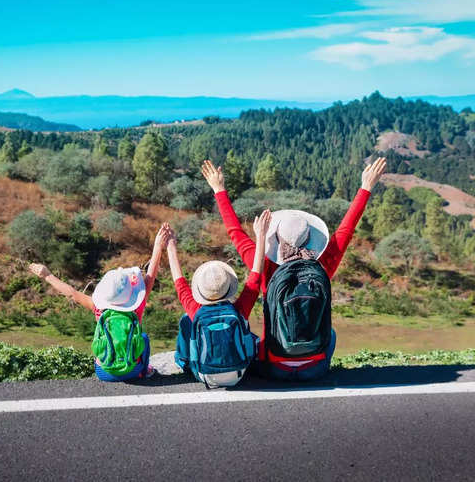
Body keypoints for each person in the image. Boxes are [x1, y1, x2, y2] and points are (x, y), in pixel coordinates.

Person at [201, 157, 387, 380]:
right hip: (315, 369)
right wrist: (366, 187)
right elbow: (346, 230)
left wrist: (219, 189)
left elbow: (235, 232)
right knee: (332, 334)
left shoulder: (261, 264)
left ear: (277, 241)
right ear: (311, 240)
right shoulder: (321, 266)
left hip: (274, 368)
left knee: (252, 339)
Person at [29, 223, 170, 382]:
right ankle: (144, 371)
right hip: (132, 371)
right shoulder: (136, 308)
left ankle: (108, 363)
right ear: (130, 294)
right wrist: (158, 246)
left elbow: (72, 293)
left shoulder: (98, 308)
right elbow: (150, 276)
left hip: (104, 372)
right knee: (143, 337)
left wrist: (47, 275)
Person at [167, 210, 271, 387]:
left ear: (200, 290)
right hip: (239, 373)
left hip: (205, 375)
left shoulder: (196, 310)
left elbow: (179, 282)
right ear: (229, 286)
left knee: (186, 320)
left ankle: (182, 360)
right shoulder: (239, 309)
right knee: (248, 331)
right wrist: (261, 235)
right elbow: (256, 275)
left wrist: (170, 246)